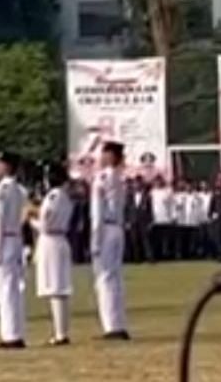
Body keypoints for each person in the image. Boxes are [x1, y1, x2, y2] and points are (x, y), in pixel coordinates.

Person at [90, 141, 130, 341]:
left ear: (110, 157)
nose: (101, 158)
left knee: (104, 278)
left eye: (104, 154)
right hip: (117, 228)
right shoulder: (119, 178)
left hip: (105, 229)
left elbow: (97, 213)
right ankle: (118, 323)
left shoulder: (102, 178)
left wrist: (95, 240)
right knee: (115, 278)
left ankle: (111, 327)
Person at [0, 151, 27, 349]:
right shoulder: (20, 191)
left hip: (3, 242)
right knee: (12, 290)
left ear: (6, 167)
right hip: (15, 240)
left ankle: (10, 335)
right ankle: (14, 332)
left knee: (4, 291)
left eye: (0, 164)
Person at [32, 163, 75, 346]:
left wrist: (30, 220)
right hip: (58, 240)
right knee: (59, 288)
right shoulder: (64, 196)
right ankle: (60, 331)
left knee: (55, 288)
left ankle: (60, 333)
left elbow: (45, 224)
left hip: (51, 241)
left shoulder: (53, 196)